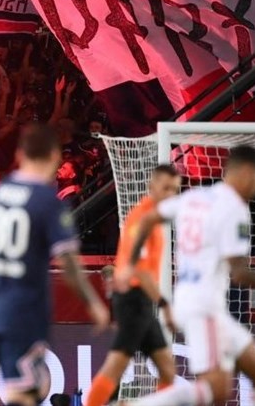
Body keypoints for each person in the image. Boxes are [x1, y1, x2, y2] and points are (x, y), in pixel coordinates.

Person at [115, 146, 255, 406]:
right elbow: (241, 275)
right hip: (205, 308)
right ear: (247, 172)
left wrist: (129, 264)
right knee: (215, 392)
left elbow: (147, 219)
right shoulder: (234, 209)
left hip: (195, 302)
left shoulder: (196, 196)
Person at [0, 124, 110, 406]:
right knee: (28, 390)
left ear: (20, 155)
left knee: (28, 386)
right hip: (26, 306)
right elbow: (67, 260)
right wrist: (92, 300)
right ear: (53, 156)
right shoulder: (46, 201)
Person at [85, 165, 182, 406]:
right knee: (115, 367)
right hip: (132, 300)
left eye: (175, 189)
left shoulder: (153, 217)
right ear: (152, 186)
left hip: (139, 300)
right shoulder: (144, 219)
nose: (171, 194)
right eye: (166, 188)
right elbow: (138, 269)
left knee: (167, 369)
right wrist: (164, 305)